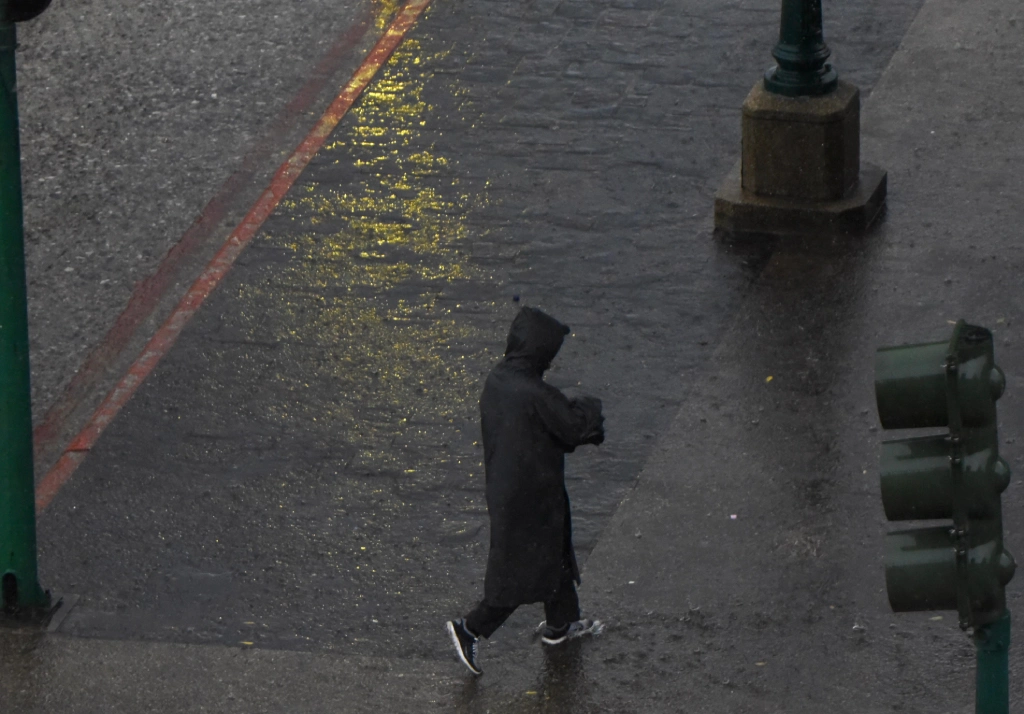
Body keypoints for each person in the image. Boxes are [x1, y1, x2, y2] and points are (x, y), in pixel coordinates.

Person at [446, 306, 605, 676]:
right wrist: (590, 408)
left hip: (512, 488)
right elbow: (572, 428)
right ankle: (470, 628)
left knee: (553, 559)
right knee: (519, 573)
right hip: (532, 498)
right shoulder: (536, 393)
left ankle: (561, 626)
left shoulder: (499, 380)